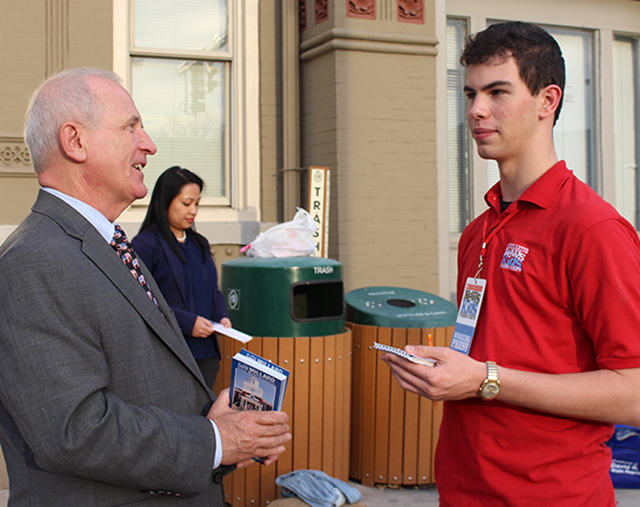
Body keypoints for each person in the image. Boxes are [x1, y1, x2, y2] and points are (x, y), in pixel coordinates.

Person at [0, 67, 291, 506]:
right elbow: (75, 430)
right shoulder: (32, 260)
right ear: (74, 141)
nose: (149, 144)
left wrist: (224, 430)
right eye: (130, 126)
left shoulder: (111, 244)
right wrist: (214, 439)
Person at [381, 21, 640, 506]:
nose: (477, 110)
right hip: (463, 490)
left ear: (548, 101)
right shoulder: (480, 231)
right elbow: (496, 355)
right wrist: (450, 372)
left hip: (554, 496)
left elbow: (634, 392)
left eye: (498, 92)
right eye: (471, 93)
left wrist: (484, 378)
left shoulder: (592, 230)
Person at [132, 166, 230, 388]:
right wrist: (188, 323)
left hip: (206, 353)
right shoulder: (145, 246)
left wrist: (221, 317)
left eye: (197, 203)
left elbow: (212, 290)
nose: (193, 210)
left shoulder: (199, 243)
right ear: (163, 201)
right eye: (186, 203)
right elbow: (141, 301)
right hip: (168, 353)